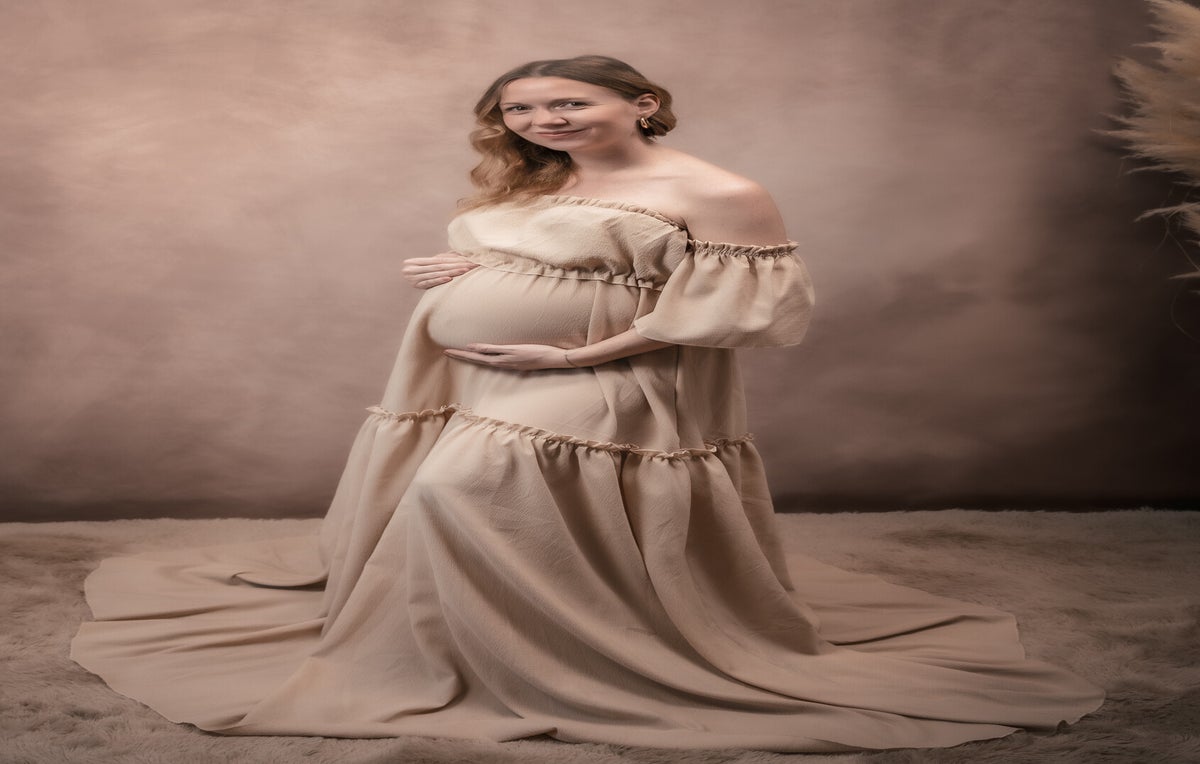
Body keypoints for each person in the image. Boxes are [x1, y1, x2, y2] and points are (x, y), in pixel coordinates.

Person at [71, 55, 1103, 752]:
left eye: (565, 104)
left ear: (642, 101)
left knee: (459, 494)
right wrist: (478, 261)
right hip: (477, 370)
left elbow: (727, 309)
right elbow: (563, 252)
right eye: (521, 111)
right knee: (457, 496)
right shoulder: (542, 182)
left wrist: (574, 352)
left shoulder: (719, 191)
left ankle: (550, 655)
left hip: (616, 375)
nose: (542, 122)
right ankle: (457, 637)